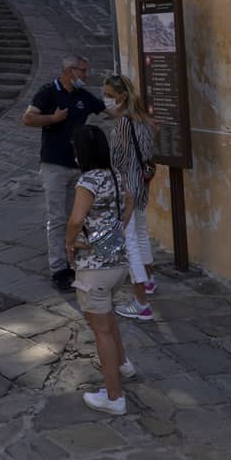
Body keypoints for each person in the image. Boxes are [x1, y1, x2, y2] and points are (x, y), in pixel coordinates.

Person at [66, 124, 134, 416]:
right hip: (118, 264)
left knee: (101, 331)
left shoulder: (87, 181)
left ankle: (114, 396)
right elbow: (130, 201)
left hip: (94, 269)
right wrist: (118, 230)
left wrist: (69, 243)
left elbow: (76, 218)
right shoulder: (115, 176)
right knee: (108, 321)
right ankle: (122, 364)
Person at [23, 56, 105, 288]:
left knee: (76, 217)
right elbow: (28, 118)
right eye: (84, 71)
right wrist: (53, 118)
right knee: (58, 218)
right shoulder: (48, 91)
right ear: (70, 71)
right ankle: (59, 268)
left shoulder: (82, 96)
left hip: (78, 166)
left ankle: (74, 261)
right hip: (54, 165)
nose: (86, 76)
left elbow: (106, 108)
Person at [103, 74, 158, 320]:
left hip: (128, 188)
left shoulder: (124, 124)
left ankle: (141, 303)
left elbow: (117, 161)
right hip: (142, 185)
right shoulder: (143, 119)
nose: (106, 100)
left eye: (109, 95)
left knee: (131, 243)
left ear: (121, 97)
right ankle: (148, 281)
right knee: (141, 234)